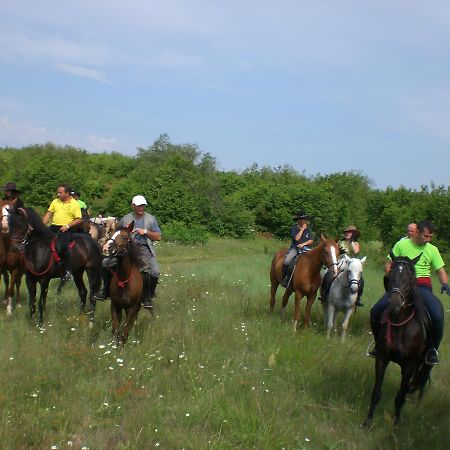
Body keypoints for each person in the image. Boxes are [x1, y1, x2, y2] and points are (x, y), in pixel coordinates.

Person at [370, 220, 449, 365]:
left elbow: (440, 270)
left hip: (422, 287)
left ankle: (432, 350)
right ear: (417, 232)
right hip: (400, 286)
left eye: (430, 237)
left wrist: (445, 283)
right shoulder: (402, 244)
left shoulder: (432, 250)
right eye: (425, 236)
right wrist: (389, 274)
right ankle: (378, 346)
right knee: (376, 311)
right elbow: (389, 263)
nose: (428, 240)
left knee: (437, 315)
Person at [95, 195, 162, 310]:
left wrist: (145, 232)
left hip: (144, 249)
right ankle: (105, 290)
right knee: (105, 263)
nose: (141, 208)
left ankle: (147, 296)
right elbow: (116, 233)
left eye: (143, 205)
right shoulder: (125, 219)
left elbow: (158, 237)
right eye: (139, 206)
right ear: (133, 206)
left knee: (155, 272)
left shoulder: (151, 219)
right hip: (126, 250)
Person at [42, 183, 82, 282]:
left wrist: (67, 226)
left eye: (60, 193)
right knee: (40, 241)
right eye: (58, 192)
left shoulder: (74, 204)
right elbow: (48, 214)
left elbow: (78, 219)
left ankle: (67, 271)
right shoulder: (55, 201)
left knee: (62, 246)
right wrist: (41, 225)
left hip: (67, 229)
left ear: (67, 193)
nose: (58, 194)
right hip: (54, 227)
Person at [320, 225, 364, 306]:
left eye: (350, 232)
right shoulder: (340, 242)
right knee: (328, 274)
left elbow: (356, 252)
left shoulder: (356, 243)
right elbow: (335, 252)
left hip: (351, 263)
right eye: (346, 232)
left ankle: (358, 298)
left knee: (361, 280)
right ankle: (325, 293)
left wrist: (352, 242)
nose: (347, 233)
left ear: (354, 234)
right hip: (340, 261)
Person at [281, 211, 314, 286]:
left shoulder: (308, 228)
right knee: (287, 261)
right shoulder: (294, 228)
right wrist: (302, 229)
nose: (305, 221)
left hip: (306, 249)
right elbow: (296, 238)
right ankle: (285, 278)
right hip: (295, 248)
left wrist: (304, 244)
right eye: (303, 219)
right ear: (299, 220)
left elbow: (311, 240)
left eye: (306, 219)